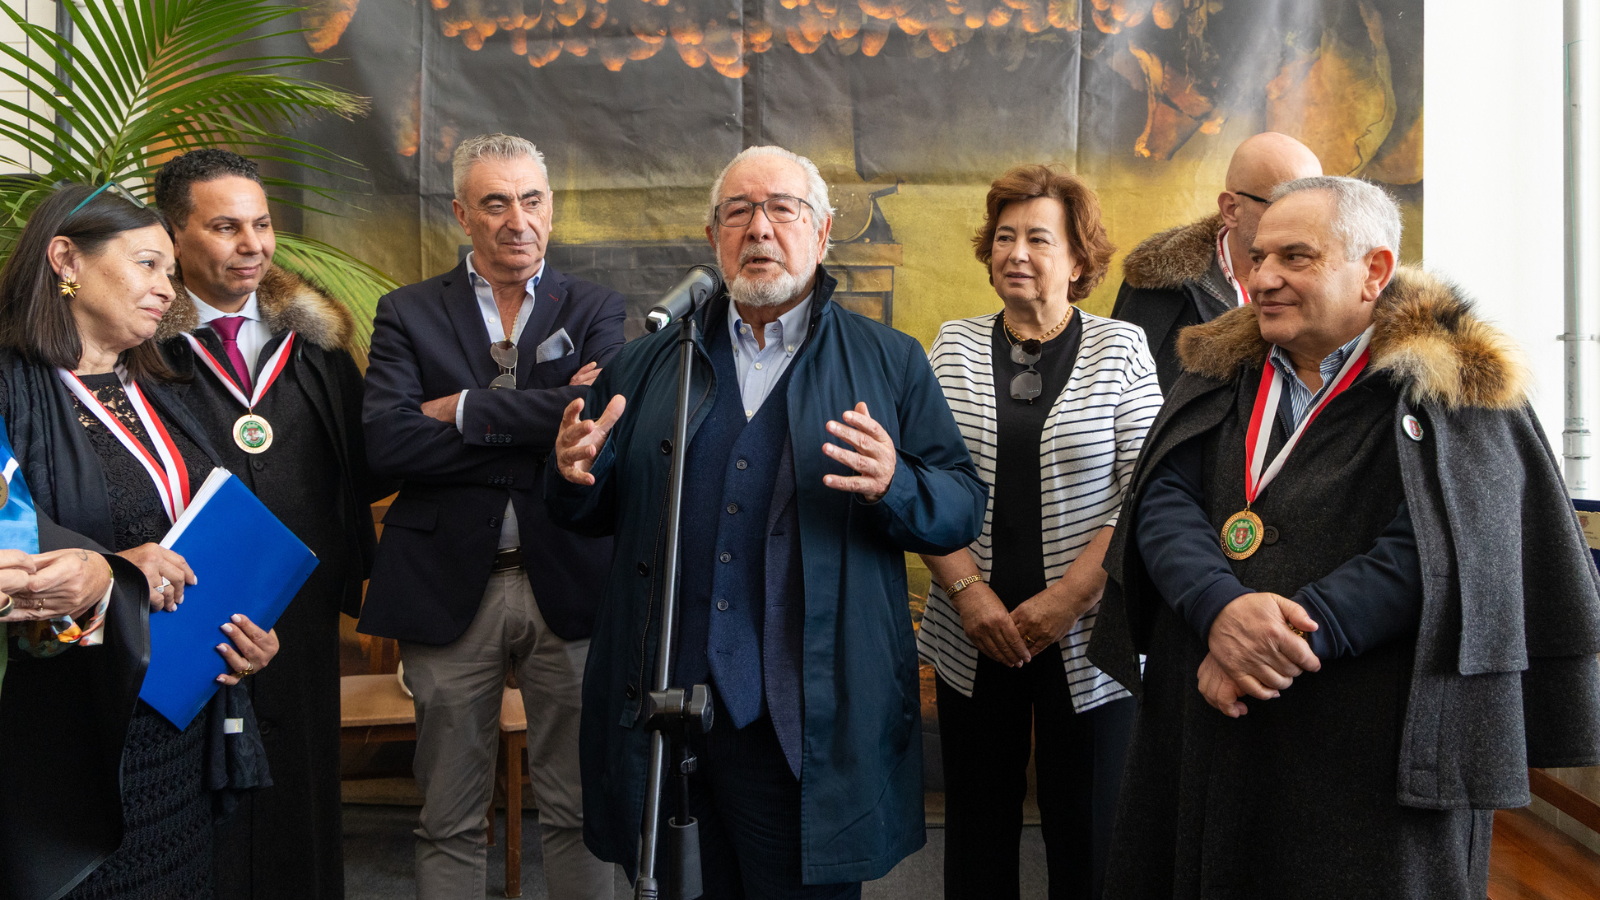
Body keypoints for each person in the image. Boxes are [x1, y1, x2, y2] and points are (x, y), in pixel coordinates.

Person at [1086, 175, 1600, 899]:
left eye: (1296, 258)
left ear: (1375, 271)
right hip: (1207, 721)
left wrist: (1283, 638)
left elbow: (1442, 549)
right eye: (1259, 257)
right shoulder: (1217, 369)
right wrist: (1218, 608)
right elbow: (1164, 495)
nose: (1264, 278)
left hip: (1367, 751)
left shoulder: (1456, 387)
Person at [548, 145, 988, 898]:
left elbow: (958, 508)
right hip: (665, 714)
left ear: (820, 236)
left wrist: (895, 483)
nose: (760, 228)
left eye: (782, 209)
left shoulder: (889, 361)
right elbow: (589, 513)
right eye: (739, 212)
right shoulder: (650, 361)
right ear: (714, 234)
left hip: (803, 721)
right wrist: (573, 474)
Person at [360, 133, 625, 900]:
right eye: (496, 202)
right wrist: (540, 425)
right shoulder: (406, 311)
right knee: (447, 813)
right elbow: (388, 441)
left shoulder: (596, 306)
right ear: (461, 215)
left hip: (571, 581)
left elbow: (603, 420)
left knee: (580, 809)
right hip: (444, 587)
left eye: (533, 199)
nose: (518, 219)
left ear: (552, 207)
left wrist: (465, 409)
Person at [0, 183, 279, 900]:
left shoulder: (156, 392)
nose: (169, 287)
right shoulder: (10, 391)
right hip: (71, 747)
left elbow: (196, 543)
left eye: (168, 271)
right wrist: (109, 570)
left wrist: (244, 631)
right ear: (66, 258)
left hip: (176, 734)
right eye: (149, 264)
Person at [919, 165, 1161, 900]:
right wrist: (967, 595)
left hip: (1089, 635)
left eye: (1037, 238)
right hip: (975, 630)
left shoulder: (1122, 348)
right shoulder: (951, 346)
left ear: (1079, 259)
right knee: (978, 833)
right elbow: (920, 481)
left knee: (1088, 836)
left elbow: (1145, 491)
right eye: (1003, 237)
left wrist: (1072, 597)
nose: (1015, 252)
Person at [150, 148, 385, 900]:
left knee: (299, 806)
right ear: (172, 234)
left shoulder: (316, 348)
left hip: (302, 618)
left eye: (261, 224)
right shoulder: (140, 351)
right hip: (184, 613)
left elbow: (365, 465)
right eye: (225, 227)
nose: (252, 245)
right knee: (194, 810)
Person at [1110, 132, 1321, 390]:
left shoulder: (1339, 287)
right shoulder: (1157, 288)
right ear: (1231, 209)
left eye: (1312, 207)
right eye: (1282, 204)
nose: (1303, 222)